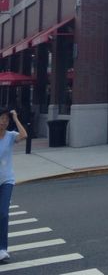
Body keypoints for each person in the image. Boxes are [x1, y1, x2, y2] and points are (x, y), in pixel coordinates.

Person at [0, 108, 27, 263]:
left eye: (6, 119)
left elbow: (24, 135)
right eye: (1, 118)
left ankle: (2, 249)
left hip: (6, 181)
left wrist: (16, 119)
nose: (4, 122)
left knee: (3, 213)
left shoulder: (10, 136)